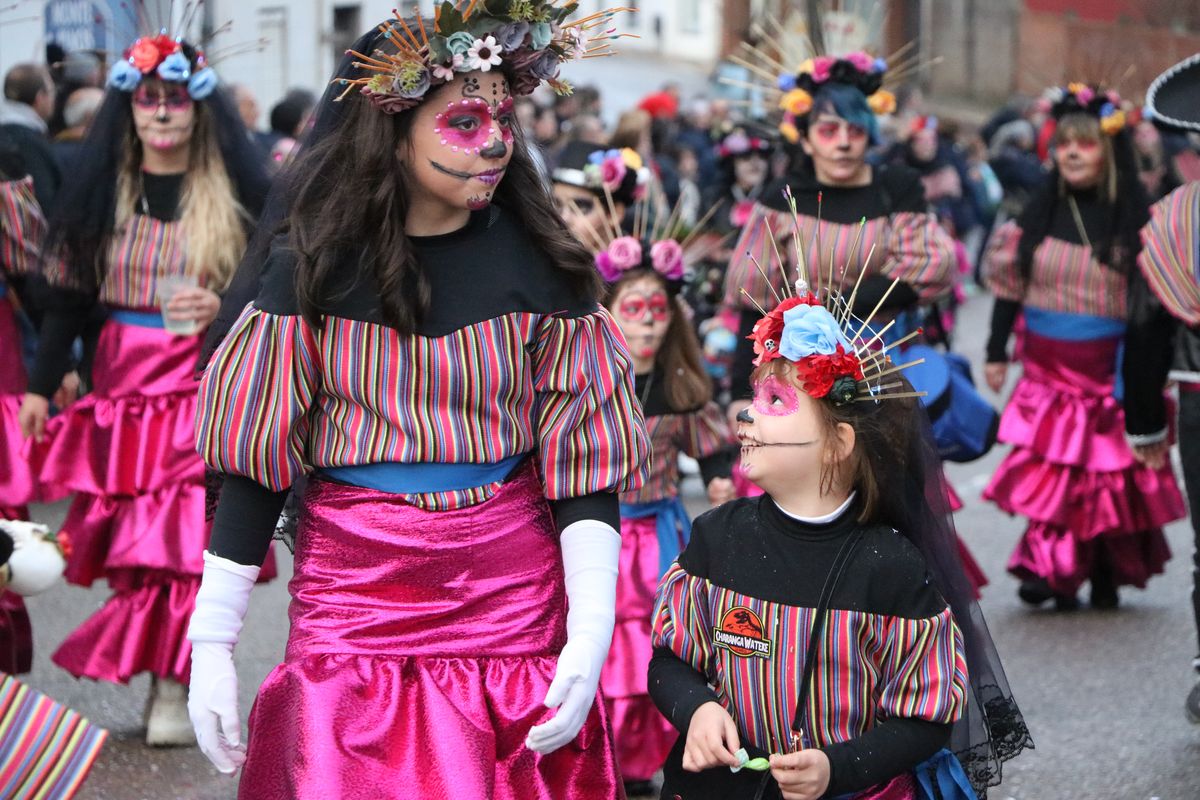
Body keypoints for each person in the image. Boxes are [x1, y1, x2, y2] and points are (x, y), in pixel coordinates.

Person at [189, 9, 650, 797]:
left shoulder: (546, 269)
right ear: (393, 132)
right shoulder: (314, 267)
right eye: (464, 121)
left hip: (507, 593)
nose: (497, 142)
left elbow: (583, 467)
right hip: (354, 590)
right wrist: (211, 642)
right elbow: (259, 466)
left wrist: (590, 627)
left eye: (504, 117)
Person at [650, 281, 1030, 799]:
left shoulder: (890, 566)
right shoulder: (717, 536)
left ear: (838, 443)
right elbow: (670, 659)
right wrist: (697, 709)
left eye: (776, 400)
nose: (746, 413)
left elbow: (926, 717)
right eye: (755, 395)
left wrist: (839, 766)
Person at [17, 32, 270, 745]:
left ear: (197, 108)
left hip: (202, 385)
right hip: (126, 390)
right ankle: (165, 671)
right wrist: (41, 387)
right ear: (130, 109)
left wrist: (224, 306)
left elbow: (278, 280)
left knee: (190, 543)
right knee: (138, 546)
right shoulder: (105, 193)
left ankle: (178, 679)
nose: (161, 115)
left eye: (175, 100)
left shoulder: (234, 195)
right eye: (147, 101)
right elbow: (67, 298)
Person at [983, 83, 1184, 610]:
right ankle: (1051, 570)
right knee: (1056, 475)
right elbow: (1009, 288)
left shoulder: (1137, 222)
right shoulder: (1037, 214)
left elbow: (1156, 304)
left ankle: (1104, 567)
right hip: (1048, 369)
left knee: (1108, 477)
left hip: (1110, 368)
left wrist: (1154, 367)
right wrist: (995, 350)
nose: (1071, 152)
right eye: (1063, 143)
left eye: (1086, 143)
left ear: (1108, 151)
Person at [584, 190, 736, 795]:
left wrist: (723, 472)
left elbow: (712, 443)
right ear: (608, 312)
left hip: (662, 534)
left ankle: (651, 752)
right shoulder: (585, 382)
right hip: (600, 529)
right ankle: (604, 748)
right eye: (634, 307)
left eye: (657, 309)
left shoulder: (680, 387)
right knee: (603, 639)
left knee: (660, 641)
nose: (647, 320)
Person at [1121, 53, 1200, 721]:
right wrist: (1146, 419)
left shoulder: (1176, 216)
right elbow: (1146, 327)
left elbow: (1144, 329)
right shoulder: (1174, 220)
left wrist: (1146, 420)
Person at [551, 141, 642, 246]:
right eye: (556, 205)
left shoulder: (642, 261)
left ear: (614, 214)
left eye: (580, 207)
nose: (563, 218)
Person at [0, 64, 59, 211]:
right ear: (39, 98)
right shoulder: (31, 144)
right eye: (52, 91)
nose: (54, 98)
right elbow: (45, 202)